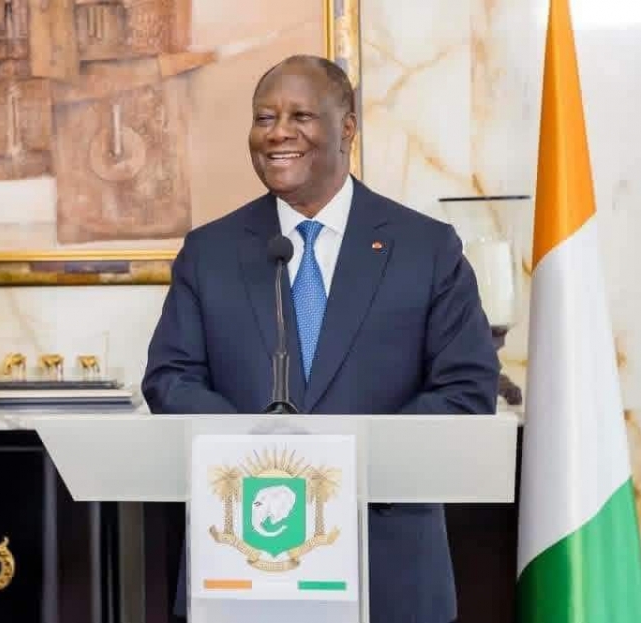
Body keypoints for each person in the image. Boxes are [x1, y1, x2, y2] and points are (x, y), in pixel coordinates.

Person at [142, 54, 500, 623]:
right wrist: (265, 457)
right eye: (264, 118)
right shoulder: (210, 252)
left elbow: (467, 390)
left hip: (387, 566)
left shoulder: (426, 249)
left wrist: (339, 463)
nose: (277, 132)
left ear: (347, 127)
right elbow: (170, 379)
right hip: (242, 562)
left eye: (300, 116)